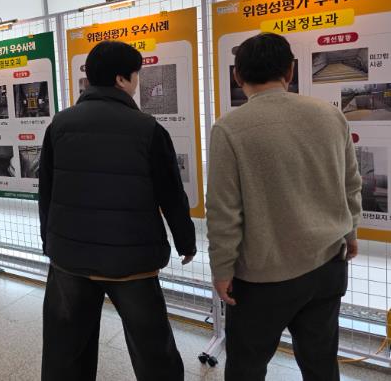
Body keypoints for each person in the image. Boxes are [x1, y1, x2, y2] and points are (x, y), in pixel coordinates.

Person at [205, 33, 362, 381]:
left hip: (263, 277)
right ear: (290, 72)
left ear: (238, 76)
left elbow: (223, 211)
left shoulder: (229, 129)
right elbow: (350, 183)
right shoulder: (330, 116)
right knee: (321, 363)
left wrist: (222, 269)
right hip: (326, 265)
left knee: (247, 367)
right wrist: (351, 231)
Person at [38, 41, 196, 381]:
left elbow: (47, 191)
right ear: (122, 79)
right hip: (131, 262)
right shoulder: (147, 129)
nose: (137, 82)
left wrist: (48, 240)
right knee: (152, 349)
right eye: (136, 74)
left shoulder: (59, 125)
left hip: (69, 258)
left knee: (65, 348)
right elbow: (171, 194)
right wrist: (186, 241)